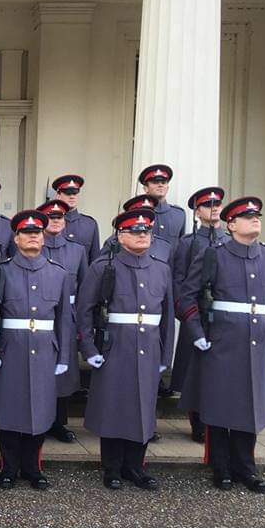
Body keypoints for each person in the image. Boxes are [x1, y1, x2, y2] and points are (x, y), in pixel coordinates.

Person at [178, 197, 265, 493]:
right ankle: (221, 466)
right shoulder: (214, 255)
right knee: (219, 405)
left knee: (250, 407)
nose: (255, 220)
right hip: (221, 342)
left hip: (257, 344)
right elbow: (188, 296)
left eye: (257, 216)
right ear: (231, 224)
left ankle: (246, 467)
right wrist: (197, 332)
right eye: (247, 216)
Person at [77, 208, 175, 490]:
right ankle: (112, 468)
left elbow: (166, 317)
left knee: (144, 406)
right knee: (114, 405)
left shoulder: (161, 268)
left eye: (146, 231)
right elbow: (84, 310)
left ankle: (136, 467)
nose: (142, 235)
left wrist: (164, 354)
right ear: (120, 236)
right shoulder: (103, 267)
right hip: (114, 345)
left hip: (148, 347)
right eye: (135, 231)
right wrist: (89, 347)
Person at [0, 210, 73, 490]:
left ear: (44, 238)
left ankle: (33, 468)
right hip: (11, 347)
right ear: (16, 238)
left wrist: (64, 355)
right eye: (26, 233)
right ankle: (9, 468)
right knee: (10, 410)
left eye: (37, 233)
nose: (32, 237)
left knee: (41, 411)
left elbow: (64, 319)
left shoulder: (58, 273)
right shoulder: (2, 271)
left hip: (45, 349)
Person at [171, 187, 229, 443]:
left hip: (222, 317)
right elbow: (179, 279)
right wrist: (184, 311)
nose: (214, 208)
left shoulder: (229, 240)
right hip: (196, 313)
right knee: (195, 370)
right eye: (207, 205)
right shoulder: (187, 242)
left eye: (217, 204)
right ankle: (197, 420)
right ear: (197, 212)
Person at [38, 199, 88, 443]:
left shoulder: (77, 250)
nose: (56, 221)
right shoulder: (33, 246)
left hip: (68, 314)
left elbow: (85, 288)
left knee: (63, 371)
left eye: (59, 217)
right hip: (41, 313)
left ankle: (59, 422)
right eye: (51, 217)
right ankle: (40, 419)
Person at [52, 174, 100, 262]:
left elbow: (94, 260)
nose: (72, 196)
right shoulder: (50, 223)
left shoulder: (90, 224)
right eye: (68, 193)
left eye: (75, 193)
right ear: (58, 195)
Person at [138, 164, 186, 246]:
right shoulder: (137, 213)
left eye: (163, 182)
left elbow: (181, 249)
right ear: (146, 188)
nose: (160, 185)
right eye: (155, 182)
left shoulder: (179, 214)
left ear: (167, 187)